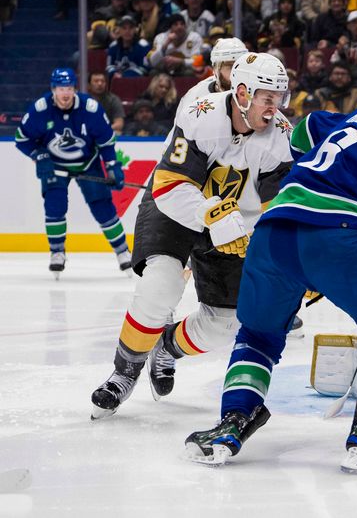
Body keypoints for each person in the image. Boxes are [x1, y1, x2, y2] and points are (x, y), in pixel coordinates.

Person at [184, 66, 357, 475]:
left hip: (274, 231)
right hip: (335, 235)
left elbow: (307, 128)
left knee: (259, 334)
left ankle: (231, 423)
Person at [90, 53, 295, 420]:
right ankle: (124, 372)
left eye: (280, 98)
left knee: (225, 323)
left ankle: (167, 348)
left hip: (234, 226)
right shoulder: (201, 113)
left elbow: (278, 206)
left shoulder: (280, 134)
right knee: (161, 287)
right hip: (176, 209)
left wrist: (290, 259)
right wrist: (212, 213)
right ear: (244, 93)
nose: (275, 108)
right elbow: (170, 185)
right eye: (269, 98)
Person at [14, 67, 130, 278]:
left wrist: (113, 166)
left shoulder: (91, 109)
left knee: (102, 207)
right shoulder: (40, 109)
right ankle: (57, 252)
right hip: (54, 166)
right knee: (54, 207)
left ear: (75, 89)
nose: (65, 93)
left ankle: (123, 252)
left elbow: (106, 141)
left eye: (68, 88)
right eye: (60, 88)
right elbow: (22, 140)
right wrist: (39, 155)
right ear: (53, 89)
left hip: (88, 162)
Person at [178, 37, 248, 113]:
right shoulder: (196, 96)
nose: (236, 72)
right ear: (216, 69)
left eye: (241, 66)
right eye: (231, 66)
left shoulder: (257, 94)